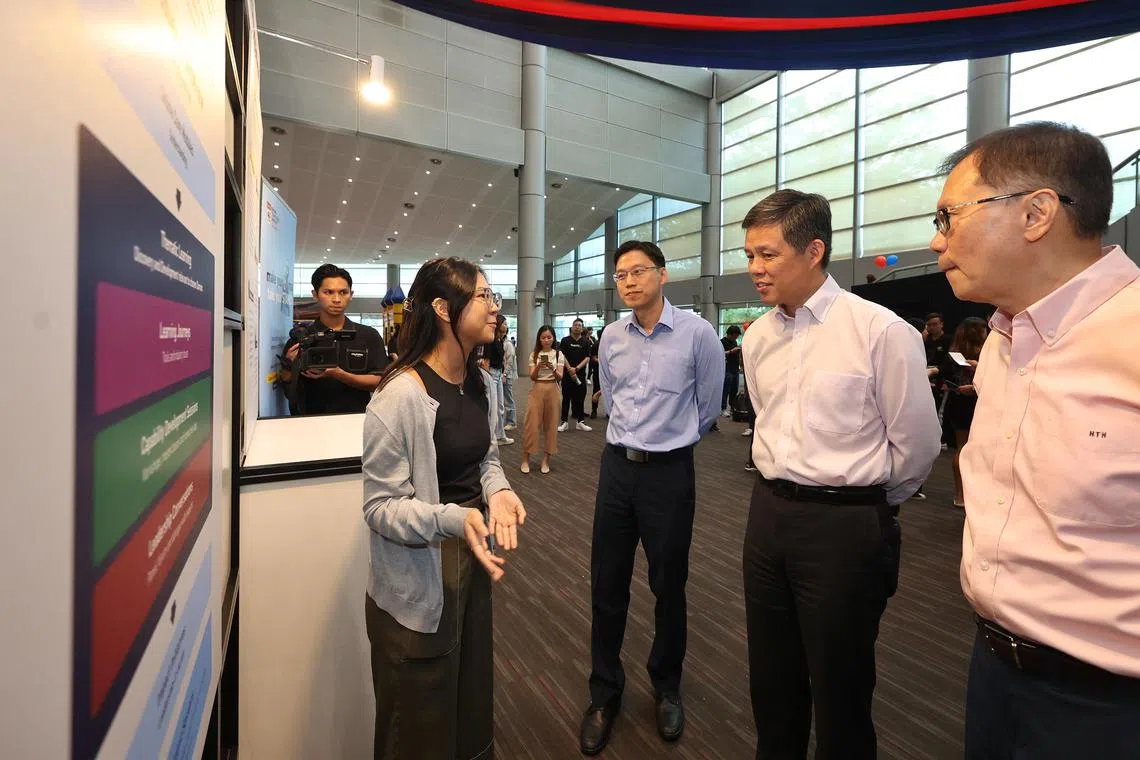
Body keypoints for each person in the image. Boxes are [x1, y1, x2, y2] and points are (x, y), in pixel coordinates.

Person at [931, 121, 1140, 759]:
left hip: (1107, 705)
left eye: (948, 217)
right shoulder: (1003, 341)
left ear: (1037, 212)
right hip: (992, 666)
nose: (934, 240)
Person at [740, 190, 941, 760]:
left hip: (846, 527)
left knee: (841, 691)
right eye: (749, 254)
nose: (754, 269)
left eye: (768, 255)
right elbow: (765, 420)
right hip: (767, 517)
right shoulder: (756, 338)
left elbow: (919, 446)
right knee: (771, 684)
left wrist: (864, 501)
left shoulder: (879, 331)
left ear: (814, 251)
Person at [361, 257, 528, 760]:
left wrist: (497, 490)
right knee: (418, 721)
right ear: (442, 307)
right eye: (482, 296)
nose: (495, 308)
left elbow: (487, 458)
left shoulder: (480, 381)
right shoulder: (400, 396)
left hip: (471, 561)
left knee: (468, 697)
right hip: (418, 578)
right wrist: (455, 518)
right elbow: (380, 507)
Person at [579, 240, 723, 756]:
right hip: (617, 469)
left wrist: (669, 441)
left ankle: (666, 686)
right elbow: (612, 399)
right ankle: (604, 693)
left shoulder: (697, 334)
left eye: (639, 271)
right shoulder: (611, 337)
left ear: (662, 275)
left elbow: (708, 407)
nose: (630, 282)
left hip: (669, 475)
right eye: (620, 275)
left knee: (669, 586)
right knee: (606, 585)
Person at [281, 264, 389, 415]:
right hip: (309, 421)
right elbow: (287, 389)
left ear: (351, 294)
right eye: (328, 292)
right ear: (315, 294)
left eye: (343, 292)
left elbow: (380, 382)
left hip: (356, 421)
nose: (337, 299)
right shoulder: (302, 338)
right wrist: (290, 365)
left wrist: (340, 375)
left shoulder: (368, 335)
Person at [936, 317, 988, 507]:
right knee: (979, 450)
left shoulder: (952, 354)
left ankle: (960, 495)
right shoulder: (988, 355)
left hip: (957, 404)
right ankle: (974, 493)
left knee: (962, 448)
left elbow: (943, 378)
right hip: (980, 404)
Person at [521, 325, 564, 475]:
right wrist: (539, 366)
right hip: (537, 389)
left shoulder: (559, 354)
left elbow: (560, 377)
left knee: (551, 426)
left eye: (549, 337)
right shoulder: (534, 354)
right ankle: (526, 458)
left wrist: (552, 368)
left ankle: (546, 459)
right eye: (543, 337)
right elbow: (532, 376)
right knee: (531, 424)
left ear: (553, 338)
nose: (546, 340)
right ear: (539, 339)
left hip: (553, 389)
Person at [483, 314, 513, 446]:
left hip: (499, 374)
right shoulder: (490, 340)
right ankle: (492, 437)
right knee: (492, 407)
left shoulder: (501, 341)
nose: (506, 326)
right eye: (504, 324)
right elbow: (486, 361)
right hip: (492, 374)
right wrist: (487, 376)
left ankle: (501, 435)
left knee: (500, 406)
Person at [558, 319, 593, 432]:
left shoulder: (586, 342)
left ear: (582, 328)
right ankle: (564, 422)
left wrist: (576, 368)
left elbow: (587, 358)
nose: (577, 327)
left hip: (580, 375)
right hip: (567, 375)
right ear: (572, 327)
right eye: (575, 325)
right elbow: (562, 355)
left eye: (579, 325)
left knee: (580, 399)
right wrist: (570, 369)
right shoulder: (565, 340)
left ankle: (580, 422)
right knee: (566, 398)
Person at [720, 325, 742, 417]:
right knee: (725, 389)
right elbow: (720, 353)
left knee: (734, 389)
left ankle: (733, 408)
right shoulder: (722, 342)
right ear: (731, 334)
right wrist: (731, 351)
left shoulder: (735, 342)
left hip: (735, 369)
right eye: (736, 335)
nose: (737, 337)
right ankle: (723, 408)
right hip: (727, 368)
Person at [500, 320, 518, 431]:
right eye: (504, 323)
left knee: (508, 398)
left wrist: (505, 374)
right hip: (500, 374)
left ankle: (511, 422)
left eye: (506, 324)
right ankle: (504, 421)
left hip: (507, 375)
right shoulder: (498, 341)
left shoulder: (508, 344)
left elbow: (509, 362)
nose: (505, 326)